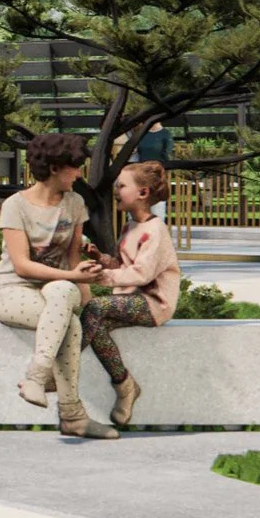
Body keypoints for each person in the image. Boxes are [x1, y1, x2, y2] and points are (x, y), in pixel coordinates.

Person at [0, 131, 116, 441]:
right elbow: (21, 265)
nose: (78, 174)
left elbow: (72, 258)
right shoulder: (14, 205)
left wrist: (85, 284)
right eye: (74, 167)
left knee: (63, 293)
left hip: (58, 289)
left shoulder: (74, 203)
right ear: (55, 168)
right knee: (69, 324)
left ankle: (37, 375)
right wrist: (75, 279)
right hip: (12, 289)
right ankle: (72, 417)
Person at [80, 161, 179, 428]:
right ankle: (125, 386)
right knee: (96, 327)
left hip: (153, 302)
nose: (115, 190)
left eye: (121, 186)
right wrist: (101, 260)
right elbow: (124, 265)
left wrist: (102, 277)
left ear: (143, 193)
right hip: (131, 300)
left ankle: (63, 366)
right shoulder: (130, 226)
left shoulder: (155, 230)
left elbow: (141, 274)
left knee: (94, 308)